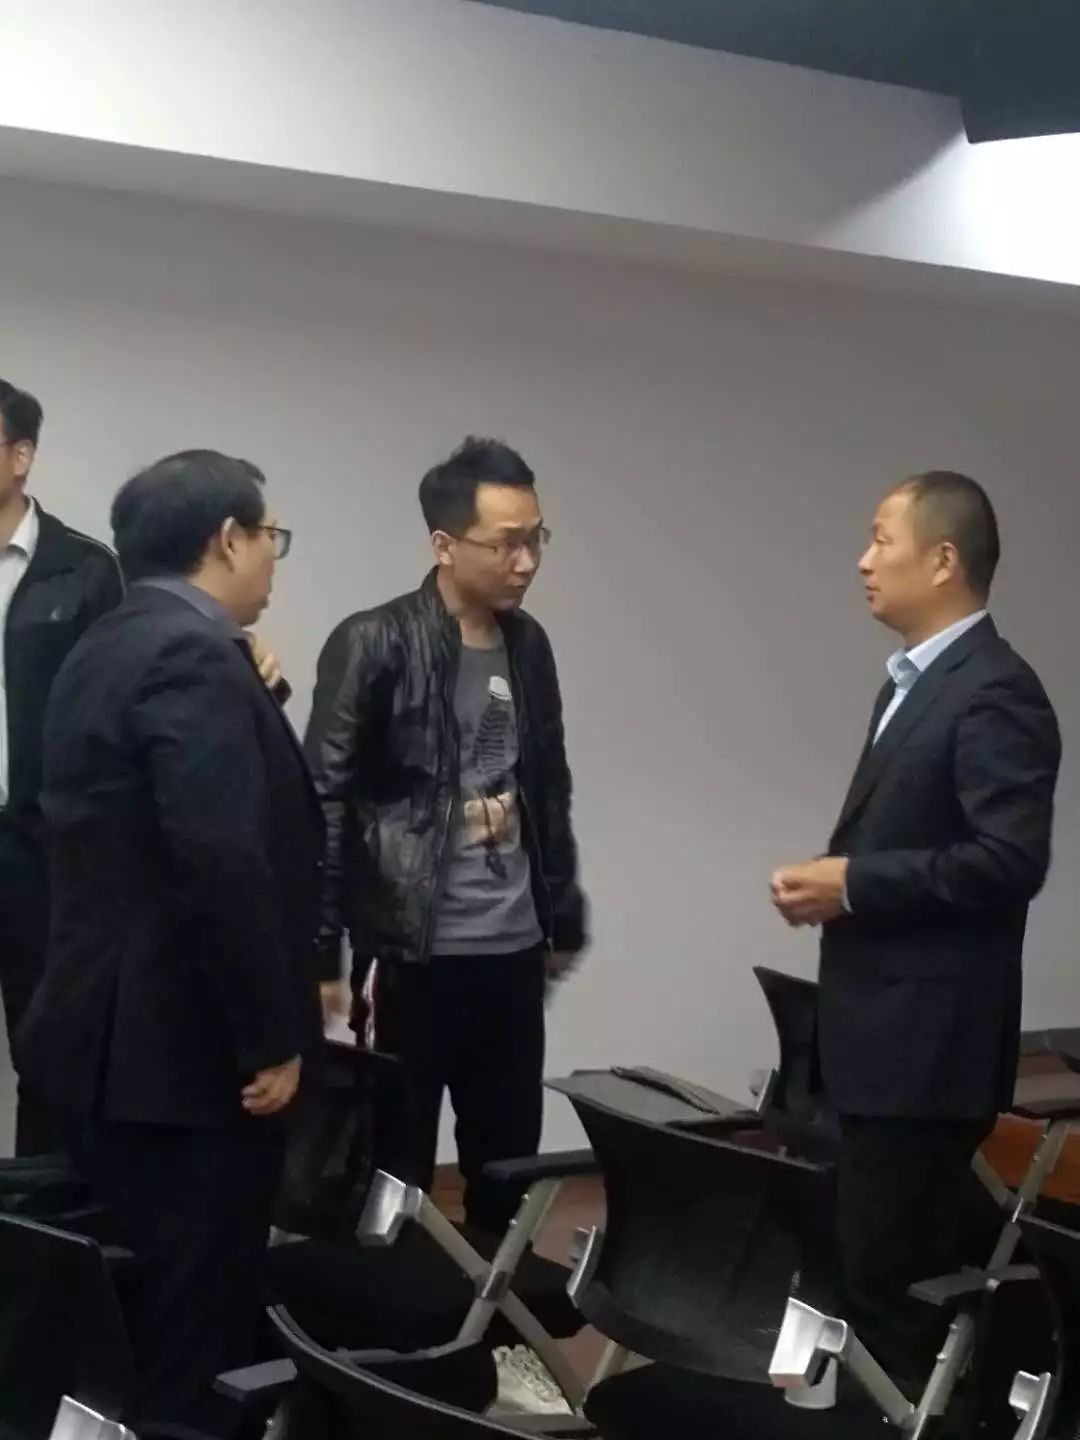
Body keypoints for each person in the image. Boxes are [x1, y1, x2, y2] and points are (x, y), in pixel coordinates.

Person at [17, 450, 323, 1427]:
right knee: (195, 1321)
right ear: (227, 539)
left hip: (102, 1040)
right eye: (268, 537)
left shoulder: (102, 645)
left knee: (123, 1317)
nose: (271, 558)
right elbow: (221, 860)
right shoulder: (192, 657)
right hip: (185, 1061)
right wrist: (270, 1036)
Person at [770, 472, 1061, 1384]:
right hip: (879, 1042)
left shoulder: (995, 690)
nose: (864, 560)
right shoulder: (916, 681)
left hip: (928, 1051)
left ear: (942, 561)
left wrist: (855, 883)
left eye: (881, 539)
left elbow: (1008, 861)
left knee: (891, 1298)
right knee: (867, 1274)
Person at [305, 436, 588, 1236]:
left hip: (511, 947)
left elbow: (548, 786)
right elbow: (324, 800)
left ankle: (492, 1310)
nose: (526, 562)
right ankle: (389, 1311)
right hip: (410, 949)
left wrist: (562, 912)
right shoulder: (375, 641)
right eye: (507, 543)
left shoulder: (528, 646)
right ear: (444, 544)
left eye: (536, 538)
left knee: (506, 1157)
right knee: (393, 1165)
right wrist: (320, 952)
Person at [0, 377, 124, 1155]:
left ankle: (44, 1220)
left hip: (39, 849)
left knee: (49, 1049)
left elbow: (111, 715)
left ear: (21, 457)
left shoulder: (83, 571)